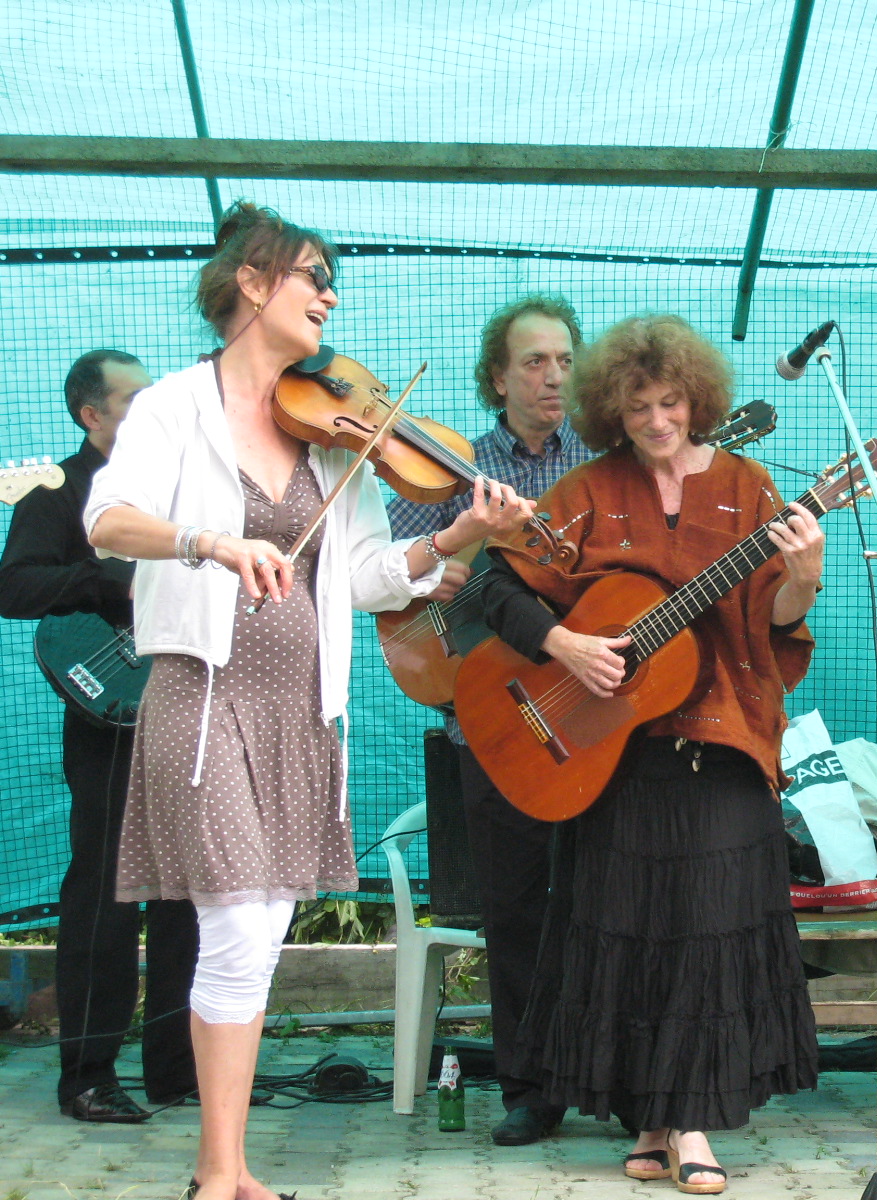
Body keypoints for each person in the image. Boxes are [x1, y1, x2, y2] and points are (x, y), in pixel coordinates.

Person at [81, 201, 533, 1200]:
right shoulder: (173, 408)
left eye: (332, 282)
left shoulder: (332, 435)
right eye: (312, 276)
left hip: (301, 714)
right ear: (252, 281)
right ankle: (217, 1175)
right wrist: (209, 542)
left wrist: (455, 537)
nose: (329, 296)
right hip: (204, 702)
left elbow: (367, 575)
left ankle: (228, 1169)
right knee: (238, 929)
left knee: (258, 940)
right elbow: (107, 520)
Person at [474, 313, 821, 1194]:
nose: (658, 420)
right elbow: (494, 583)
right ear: (612, 412)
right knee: (632, 939)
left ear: (697, 399)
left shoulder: (747, 485)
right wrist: (563, 645)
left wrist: (805, 576)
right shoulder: (588, 490)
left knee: (705, 938)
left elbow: (774, 621)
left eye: (671, 402)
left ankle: (688, 1120)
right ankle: (655, 1119)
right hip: (613, 753)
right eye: (638, 407)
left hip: (725, 742)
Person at [386, 293, 596, 1146]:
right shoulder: (449, 465)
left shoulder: (605, 463)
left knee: (601, 902)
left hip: (589, 717)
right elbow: (398, 576)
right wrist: (458, 550)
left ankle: (608, 1076)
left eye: (565, 360)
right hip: (489, 715)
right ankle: (529, 1088)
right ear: (497, 377)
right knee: (512, 909)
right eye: (534, 361)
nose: (554, 376)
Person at [0, 350, 199, 1123]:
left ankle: (176, 1070)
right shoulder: (58, 491)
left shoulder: (180, 485)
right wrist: (106, 576)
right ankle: (88, 1076)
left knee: (184, 893)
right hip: (108, 714)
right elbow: (15, 584)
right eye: (134, 398)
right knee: (106, 893)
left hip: (185, 704)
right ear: (92, 415)